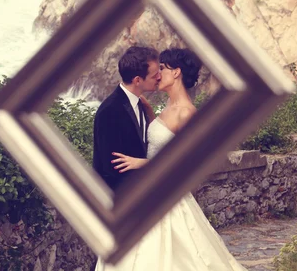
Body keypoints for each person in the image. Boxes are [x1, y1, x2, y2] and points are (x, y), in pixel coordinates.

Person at [95, 48, 246, 271]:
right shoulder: (166, 107)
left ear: (176, 73)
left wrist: (142, 163)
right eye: (156, 71)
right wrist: (148, 112)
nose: (158, 75)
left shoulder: (186, 113)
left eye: (162, 69)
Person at [92, 46, 161, 192]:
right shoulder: (109, 111)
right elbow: (111, 169)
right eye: (155, 75)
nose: (159, 77)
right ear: (137, 80)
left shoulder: (140, 103)